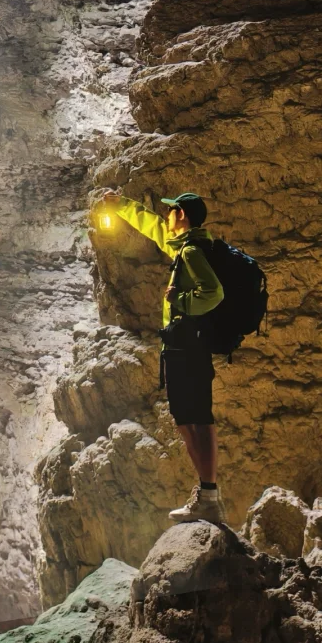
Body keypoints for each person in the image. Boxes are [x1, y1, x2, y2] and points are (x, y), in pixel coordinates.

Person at [96, 188, 226, 524]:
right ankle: (209, 494)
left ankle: (208, 496)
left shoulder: (191, 252)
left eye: (171, 212)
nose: (166, 217)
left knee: (187, 421)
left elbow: (213, 293)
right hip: (194, 345)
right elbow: (153, 226)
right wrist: (121, 205)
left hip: (186, 348)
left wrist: (179, 300)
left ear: (181, 216)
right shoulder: (192, 245)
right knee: (200, 418)